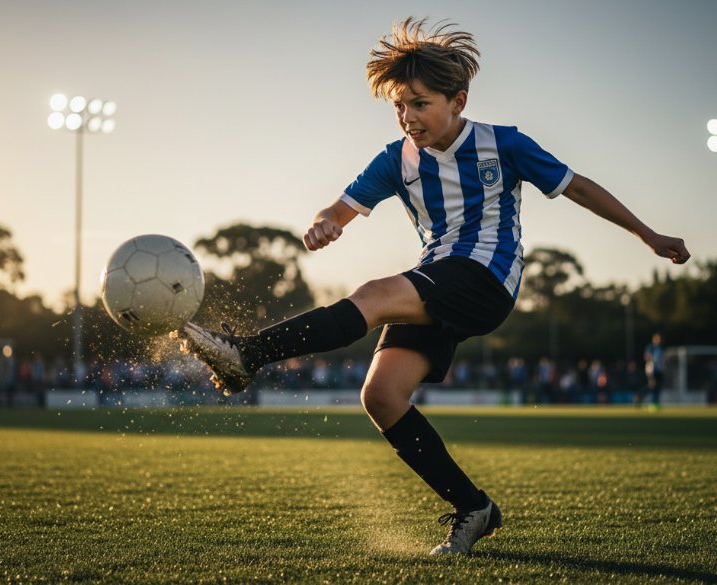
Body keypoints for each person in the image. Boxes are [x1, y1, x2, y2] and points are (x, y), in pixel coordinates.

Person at [174, 18, 690, 556]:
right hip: (436, 276)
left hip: (487, 276)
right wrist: (326, 222)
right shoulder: (395, 159)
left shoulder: (502, 144)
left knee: (373, 294)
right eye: (400, 105)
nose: (408, 117)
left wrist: (647, 235)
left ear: (457, 101)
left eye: (420, 104)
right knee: (381, 396)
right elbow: (342, 206)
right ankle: (474, 508)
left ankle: (247, 354)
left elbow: (578, 187)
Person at [643, 332, 665, 407]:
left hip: (659, 370)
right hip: (651, 370)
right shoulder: (650, 347)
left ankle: (656, 403)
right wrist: (651, 359)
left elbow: (663, 359)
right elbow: (646, 357)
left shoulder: (661, 348)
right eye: (657, 339)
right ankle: (641, 397)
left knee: (658, 387)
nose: (658, 340)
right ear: (653, 339)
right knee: (652, 386)